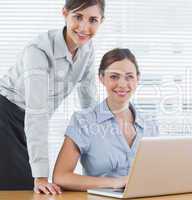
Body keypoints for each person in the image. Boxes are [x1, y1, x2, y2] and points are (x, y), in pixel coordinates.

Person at [0, 0, 105, 194]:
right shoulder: (38, 51)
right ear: (65, 13)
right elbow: (36, 112)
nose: (84, 28)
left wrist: (101, 140)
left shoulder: (87, 51)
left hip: (29, 119)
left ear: (101, 22)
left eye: (93, 20)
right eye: (78, 17)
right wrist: (40, 177)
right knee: (21, 187)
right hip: (6, 114)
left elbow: (88, 101)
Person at [52, 48, 159, 191]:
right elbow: (61, 176)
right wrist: (116, 182)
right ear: (102, 78)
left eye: (129, 76)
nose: (122, 84)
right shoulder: (83, 121)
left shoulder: (150, 124)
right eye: (114, 77)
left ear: (137, 79)